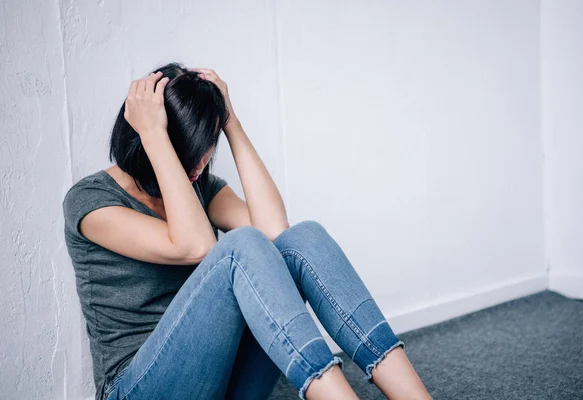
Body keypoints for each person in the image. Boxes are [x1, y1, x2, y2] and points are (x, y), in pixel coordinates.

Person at [62, 62, 431, 400]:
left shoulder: (199, 188)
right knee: (238, 246)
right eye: (191, 152)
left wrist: (231, 122)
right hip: (137, 389)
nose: (201, 164)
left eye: (207, 150)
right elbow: (194, 245)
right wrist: (153, 134)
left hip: (221, 384)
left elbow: (275, 232)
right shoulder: (91, 201)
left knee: (303, 238)